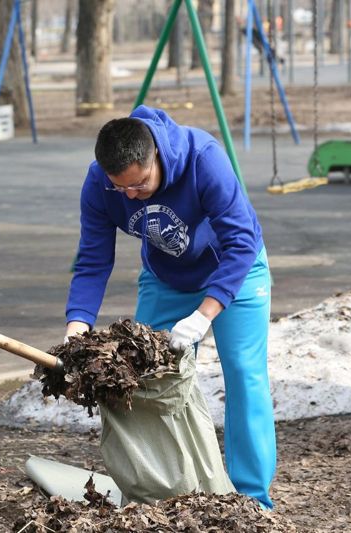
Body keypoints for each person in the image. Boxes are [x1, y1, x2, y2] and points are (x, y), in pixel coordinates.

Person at [64, 106, 276, 509]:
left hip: (238, 270)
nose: (130, 195)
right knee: (146, 382)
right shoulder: (99, 184)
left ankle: (252, 501)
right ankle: (167, 494)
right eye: (120, 188)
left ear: (155, 155)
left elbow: (242, 240)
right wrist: (77, 325)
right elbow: (93, 260)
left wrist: (205, 314)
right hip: (166, 279)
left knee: (245, 376)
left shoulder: (203, 158)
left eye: (140, 185)